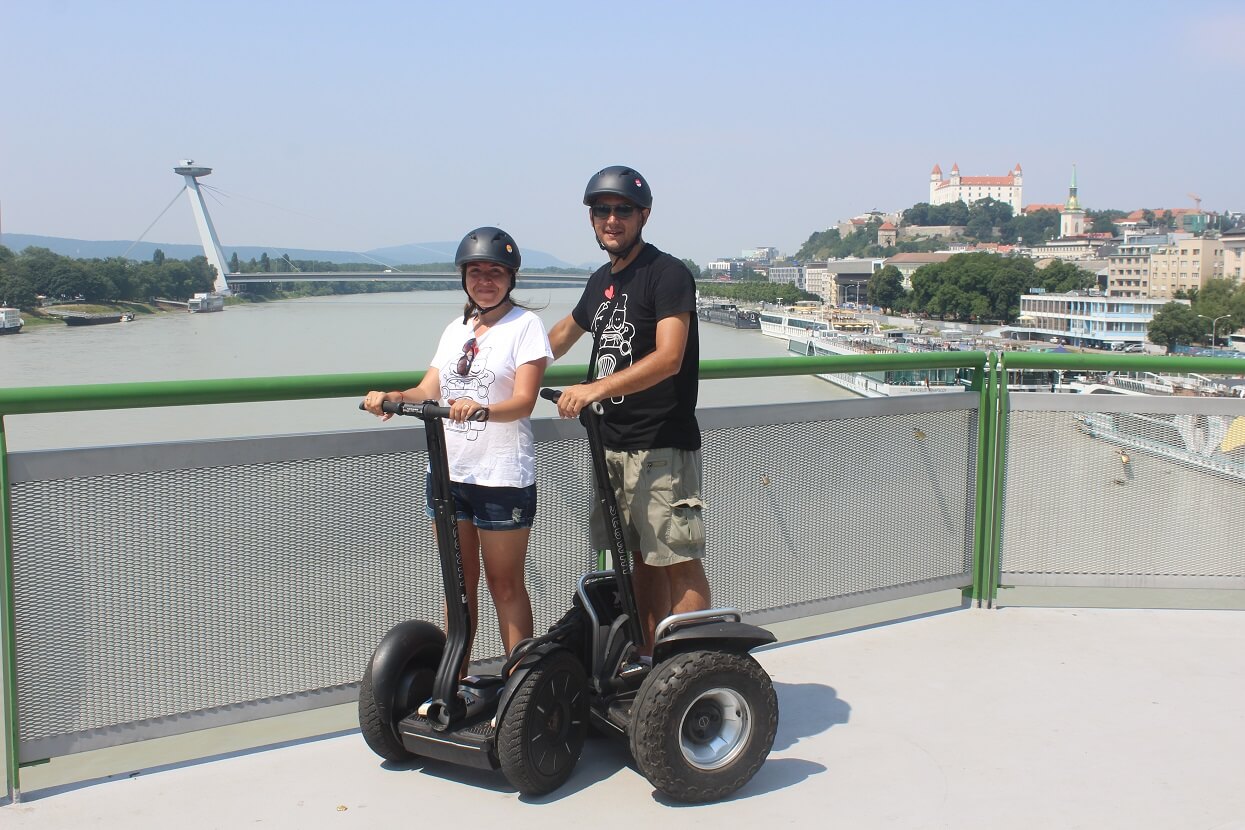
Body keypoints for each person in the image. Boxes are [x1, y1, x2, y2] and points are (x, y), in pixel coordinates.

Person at [363, 227, 552, 667]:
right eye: (476, 271)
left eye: (495, 272)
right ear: (463, 277)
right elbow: (428, 389)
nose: (485, 280)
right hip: (449, 474)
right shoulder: (456, 329)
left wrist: (481, 408)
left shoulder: (526, 327)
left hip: (501, 477)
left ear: (511, 277)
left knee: (504, 586)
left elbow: (523, 402)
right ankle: (455, 683)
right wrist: (390, 398)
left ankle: (519, 691)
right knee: (458, 586)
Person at [547, 165, 710, 658]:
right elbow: (559, 337)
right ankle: (648, 660)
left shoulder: (667, 274)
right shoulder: (601, 280)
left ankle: (691, 671)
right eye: (602, 210)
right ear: (592, 218)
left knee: (677, 558)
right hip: (612, 443)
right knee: (637, 558)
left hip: (660, 444)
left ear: (644, 215)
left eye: (622, 210)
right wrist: (500, 364)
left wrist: (593, 389)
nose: (611, 219)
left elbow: (669, 357)